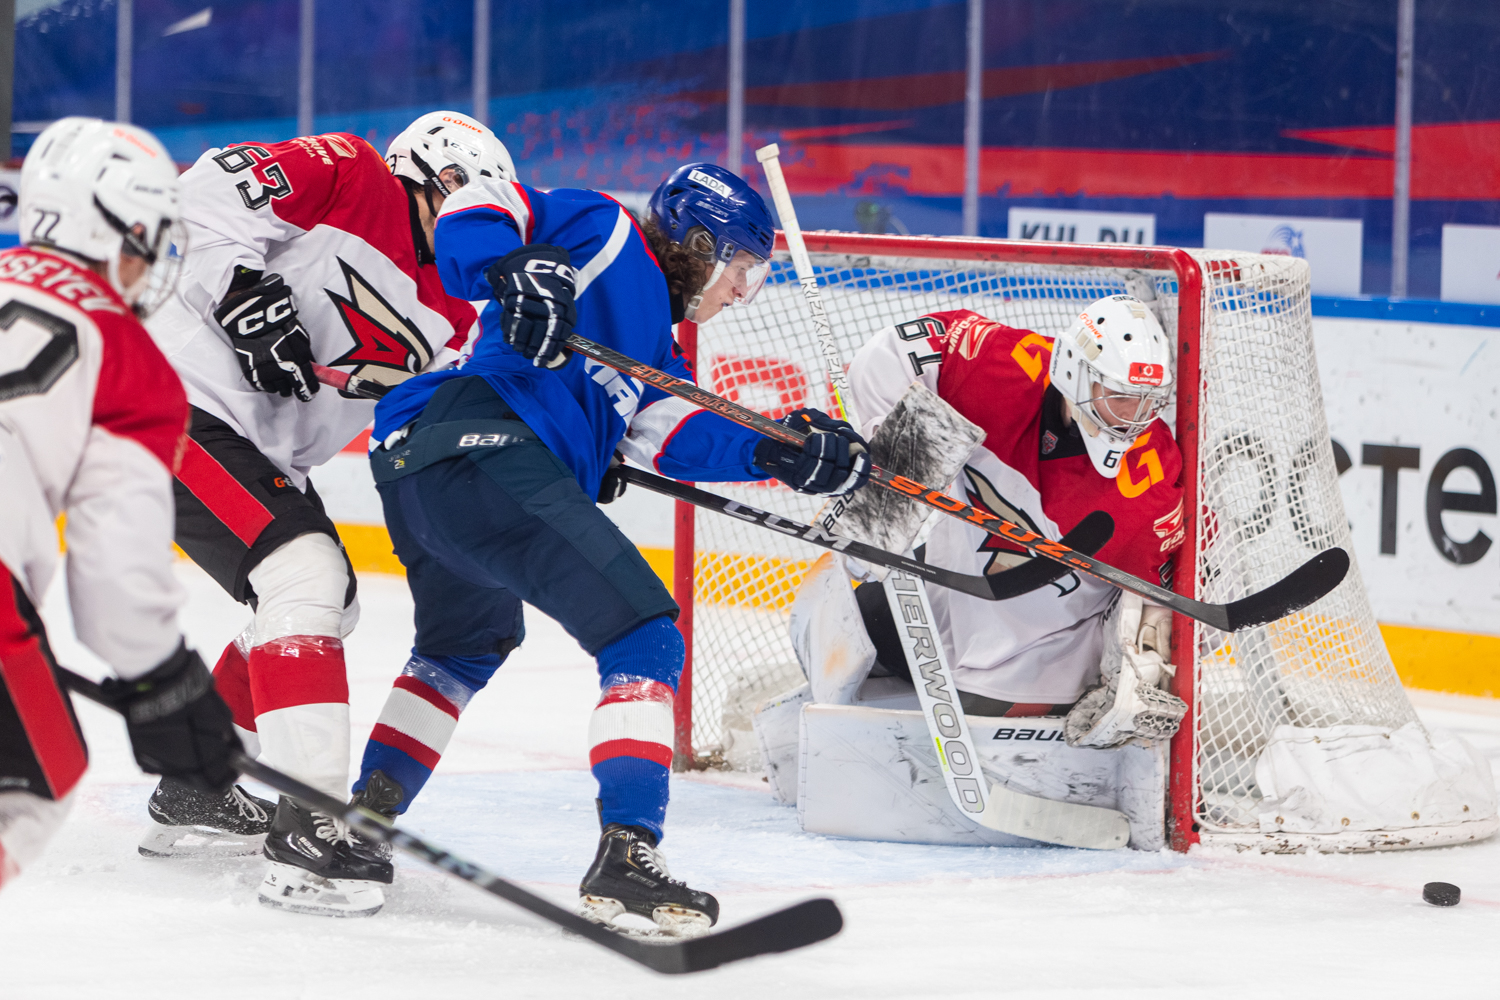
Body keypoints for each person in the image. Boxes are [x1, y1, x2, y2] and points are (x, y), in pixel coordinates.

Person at [350, 150, 872, 935]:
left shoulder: (654, 348)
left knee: (461, 650)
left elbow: (671, 436)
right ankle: (628, 853)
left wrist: (780, 451)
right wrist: (512, 269)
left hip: (425, 474)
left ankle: (358, 826)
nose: (740, 291)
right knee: (645, 636)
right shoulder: (607, 228)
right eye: (740, 269)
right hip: (479, 443)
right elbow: (484, 199)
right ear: (700, 244)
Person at [138, 111, 489, 917]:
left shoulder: (461, 308)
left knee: (332, 602)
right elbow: (202, 195)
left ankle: (198, 783)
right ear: (424, 174)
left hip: (254, 445)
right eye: (459, 192)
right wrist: (242, 291)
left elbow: (456, 407)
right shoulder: (352, 171)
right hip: (174, 395)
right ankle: (310, 829)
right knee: (305, 577)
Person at [0, 117, 241, 889]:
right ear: (114, 227)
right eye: (149, 240)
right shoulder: (125, 352)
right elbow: (114, 576)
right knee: (39, 779)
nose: (149, 263)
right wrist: (163, 682)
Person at [804, 296, 1188, 745]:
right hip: (946, 600)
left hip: (1034, 664)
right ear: (1074, 372)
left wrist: (1141, 662)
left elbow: (1168, 595)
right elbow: (886, 353)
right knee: (840, 630)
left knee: (958, 738)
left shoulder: (1148, 486)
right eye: (1120, 397)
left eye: (1147, 402)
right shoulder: (1003, 368)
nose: (1134, 419)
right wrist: (891, 467)